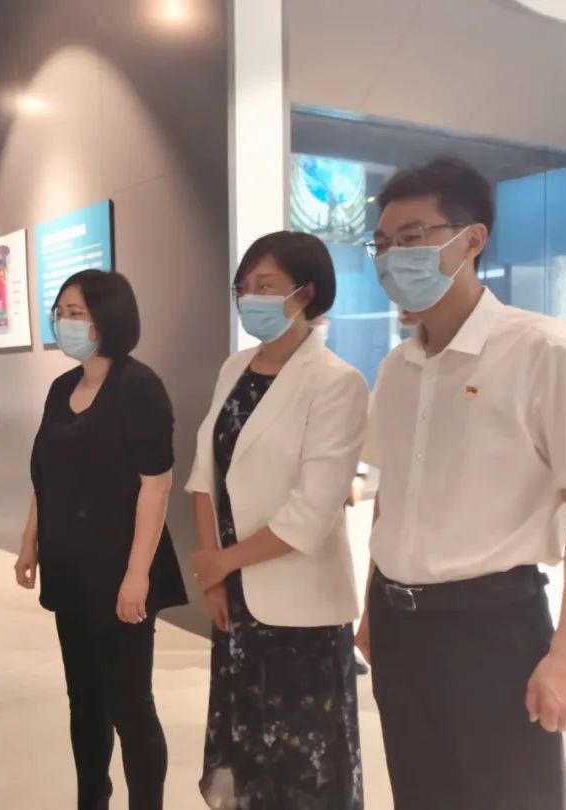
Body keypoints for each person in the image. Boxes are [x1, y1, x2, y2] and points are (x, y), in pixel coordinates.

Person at [356, 157, 566, 809]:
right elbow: (392, 497)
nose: (393, 258)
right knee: (420, 793)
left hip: (492, 628)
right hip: (399, 628)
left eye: (412, 238)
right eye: (383, 244)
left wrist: (565, 655)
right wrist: (371, 607)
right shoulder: (397, 367)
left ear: (471, 239)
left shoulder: (543, 351)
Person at [187, 232, 368, 809]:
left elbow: (312, 512)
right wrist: (215, 577)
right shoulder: (234, 368)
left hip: (302, 610)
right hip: (235, 603)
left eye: (264, 286)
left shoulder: (336, 381)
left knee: (304, 771)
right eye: (243, 287)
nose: (250, 298)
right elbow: (204, 474)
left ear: (305, 293)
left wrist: (223, 562)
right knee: (246, 761)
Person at [15, 269, 188, 810]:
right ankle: (92, 800)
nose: (64, 322)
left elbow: (156, 485)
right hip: (69, 569)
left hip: (120, 569)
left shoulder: (139, 387)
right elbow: (45, 475)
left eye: (76, 313)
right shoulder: (61, 388)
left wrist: (137, 575)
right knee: (84, 701)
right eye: (60, 312)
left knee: (130, 704)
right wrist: (30, 541)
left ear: (108, 318)